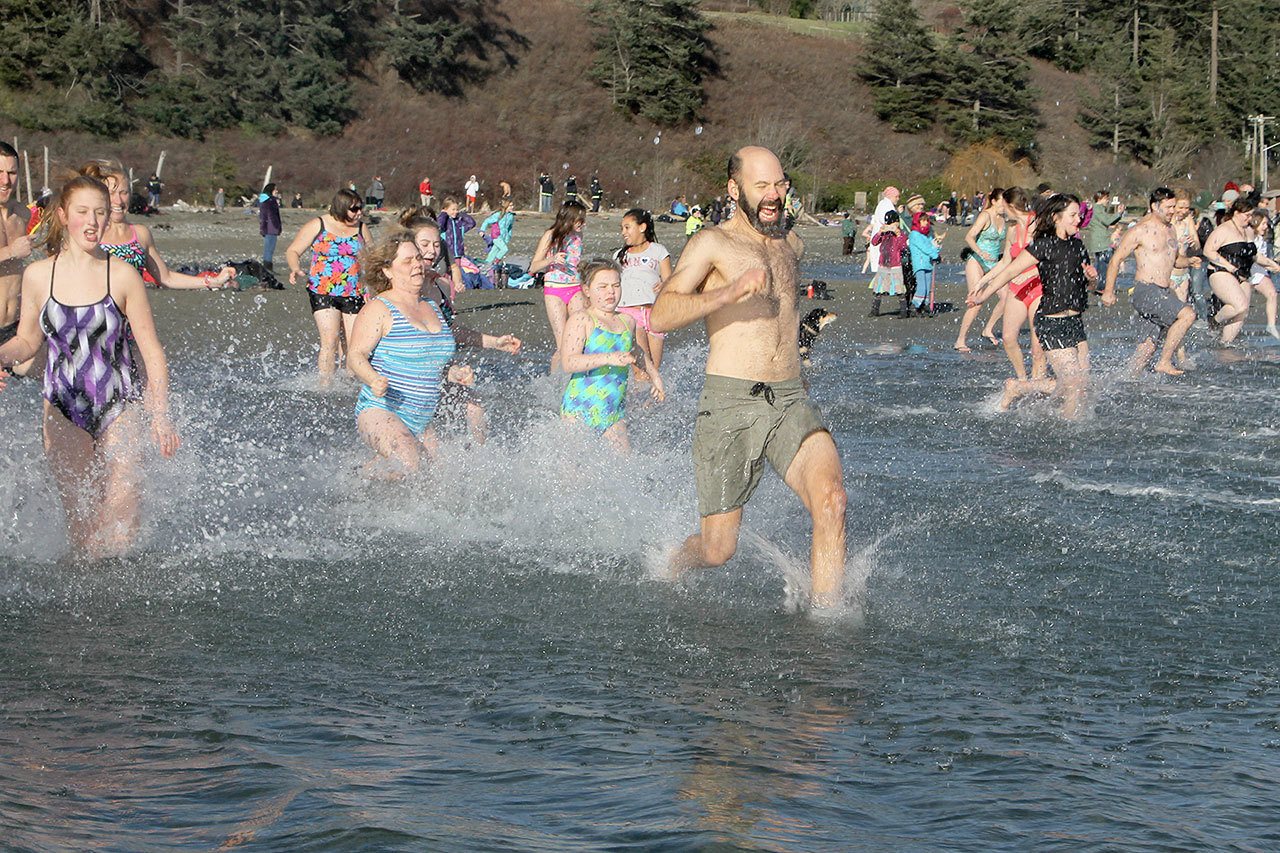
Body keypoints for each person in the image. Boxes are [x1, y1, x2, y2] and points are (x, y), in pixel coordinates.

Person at [650, 146, 847, 610]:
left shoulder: (791, 245)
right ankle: (672, 565)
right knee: (718, 550)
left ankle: (828, 627)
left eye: (780, 184)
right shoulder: (712, 244)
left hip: (791, 399)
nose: (774, 195)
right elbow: (661, 312)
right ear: (735, 189)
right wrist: (729, 291)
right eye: (762, 186)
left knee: (832, 501)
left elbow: (782, 319)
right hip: (731, 403)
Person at [0, 175, 180, 555]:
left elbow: (151, 351)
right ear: (64, 216)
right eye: (83, 212)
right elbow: (28, 341)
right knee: (83, 534)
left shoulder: (124, 275)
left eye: (100, 212)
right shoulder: (38, 275)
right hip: (63, 408)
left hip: (121, 404)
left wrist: (160, 414)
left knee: (122, 521)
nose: (93, 221)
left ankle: (126, 602)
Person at [969, 194, 1096, 416]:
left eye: (1079, 215)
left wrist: (1093, 279)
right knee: (1074, 382)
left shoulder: (1078, 246)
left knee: (1081, 383)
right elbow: (1010, 270)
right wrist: (983, 294)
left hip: (1075, 322)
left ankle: (1020, 387)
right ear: (1056, 218)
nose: (1078, 219)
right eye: (1073, 215)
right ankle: (1070, 428)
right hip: (1051, 321)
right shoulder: (1043, 246)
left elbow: (1089, 286)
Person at [401, 212, 521, 444]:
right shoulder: (399, 288)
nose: (432, 250)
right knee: (425, 446)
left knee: (475, 406)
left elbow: (450, 331)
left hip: (438, 373)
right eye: (424, 244)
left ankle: (480, 463)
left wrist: (494, 342)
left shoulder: (441, 285)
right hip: (406, 380)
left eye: (437, 244)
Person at [348, 230, 456, 475]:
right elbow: (355, 356)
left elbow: (434, 357)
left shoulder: (431, 304)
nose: (417, 264)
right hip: (380, 410)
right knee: (409, 461)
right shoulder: (379, 308)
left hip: (422, 417)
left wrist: (455, 372)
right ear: (387, 270)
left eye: (418, 258)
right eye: (408, 261)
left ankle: (358, 480)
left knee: (437, 476)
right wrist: (373, 379)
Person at [80, 160, 235, 290]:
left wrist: (212, 281)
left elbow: (166, 278)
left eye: (124, 193)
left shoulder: (140, 234)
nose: (119, 201)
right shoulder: (85, 233)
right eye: (111, 193)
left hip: (130, 321)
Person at [560, 258, 664, 451]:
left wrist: (654, 375)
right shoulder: (582, 319)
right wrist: (609, 358)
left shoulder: (627, 321)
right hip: (579, 409)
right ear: (587, 290)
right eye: (603, 287)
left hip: (613, 413)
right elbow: (568, 362)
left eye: (616, 285)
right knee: (574, 479)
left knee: (623, 470)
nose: (611, 292)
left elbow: (637, 351)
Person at [1103, 187, 1197, 374]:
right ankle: (1164, 361)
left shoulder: (1171, 230)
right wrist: (1108, 291)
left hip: (1162, 291)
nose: (1173, 211)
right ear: (1155, 206)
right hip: (1145, 290)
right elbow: (1116, 260)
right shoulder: (1140, 231)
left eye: (1174, 206)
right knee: (1188, 315)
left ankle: (1125, 380)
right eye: (1169, 207)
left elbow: (1174, 260)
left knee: (1147, 347)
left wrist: (1189, 261)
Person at [285, 188, 370, 384]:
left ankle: (349, 382)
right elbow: (293, 250)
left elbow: (371, 258)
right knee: (330, 341)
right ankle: (326, 384)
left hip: (354, 292)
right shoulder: (319, 224)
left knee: (354, 344)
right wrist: (295, 268)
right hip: (323, 291)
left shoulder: (361, 228)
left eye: (360, 208)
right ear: (341, 208)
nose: (359, 212)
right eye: (354, 209)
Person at [971, 187, 1046, 386]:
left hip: (1039, 288)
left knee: (1037, 346)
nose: (1000, 209)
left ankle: (1038, 382)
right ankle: (1022, 379)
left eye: (1003, 204)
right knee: (1008, 337)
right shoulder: (1012, 229)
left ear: (1011, 205)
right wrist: (982, 282)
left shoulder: (1038, 226)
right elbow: (1005, 262)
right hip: (1017, 288)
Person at [529, 200, 587, 371]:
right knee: (562, 344)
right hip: (554, 290)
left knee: (578, 338)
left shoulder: (578, 236)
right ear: (569, 219)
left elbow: (574, 262)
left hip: (575, 287)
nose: (583, 224)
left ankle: (578, 377)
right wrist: (552, 259)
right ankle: (555, 383)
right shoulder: (550, 235)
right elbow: (533, 267)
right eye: (580, 220)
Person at [615, 207, 673, 372]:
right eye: (622, 228)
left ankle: (649, 399)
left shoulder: (658, 251)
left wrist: (665, 284)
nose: (623, 232)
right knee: (640, 370)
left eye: (627, 227)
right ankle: (635, 394)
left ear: (642, 227)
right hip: (629, 314)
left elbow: (670, 281)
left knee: (654, 369)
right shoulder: (620, 255)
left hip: (655, 313)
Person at [954, 186, 1007, 351]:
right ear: (993, 201)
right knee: (976, 301)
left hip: (994, 264)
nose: (1004, 205)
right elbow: (969, 236)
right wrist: (981, 252)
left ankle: (988, 329)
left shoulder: (1004, 217)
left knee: (1007, 298)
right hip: (976, 260)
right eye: (1002, 202)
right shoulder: (985, 215)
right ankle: (960, 340)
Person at [0, 142, 33, 345]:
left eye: (11, 173)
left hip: (17, 326)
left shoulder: (23, 214)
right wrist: (11, 251)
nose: (5, 180)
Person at [1247, 211, 1280, 339]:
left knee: (1272, 293)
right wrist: (1272, 265)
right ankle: (1218, 323)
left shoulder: (1262, 239)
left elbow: (1263, 259)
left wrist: (1272, 266)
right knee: (1242, 306)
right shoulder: (1249, 236)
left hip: (1259, 272)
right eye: (1263, 224)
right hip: (1246, 272)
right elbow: (1256, 257)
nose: (1266, 226)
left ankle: (1271, 326)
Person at [867, 209, 907, 317]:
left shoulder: (900, 234)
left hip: (895, 265)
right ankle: (875, 310)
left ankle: (904, 310)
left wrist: (898, 234)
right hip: (883, 264)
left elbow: (902, 246)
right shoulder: (884, 234)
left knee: (899, 288)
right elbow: (874, 242)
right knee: (878, 288)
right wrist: (880, 232)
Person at [1083, 190, 1124, 291]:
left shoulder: (1095, 209)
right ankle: (1101, 287)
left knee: (1100, 264)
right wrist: (1119, 213)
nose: (1108, 201)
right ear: (1100, 198)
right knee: (1106, 266)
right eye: (1107, 198)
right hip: (1101, 242)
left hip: (1098, 242)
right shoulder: (1097, 209)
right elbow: (1107, 221)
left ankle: (1096, 285)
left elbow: (1108, 221)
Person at [907, 206, 942, 316]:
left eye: (927, 220)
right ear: (918, 221)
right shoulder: (914, 235)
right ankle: (915, 305)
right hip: (920, 263)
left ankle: (925, 304)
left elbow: (931, 246)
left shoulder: (926, 235)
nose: (926, 223)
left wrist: (937, 247)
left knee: (928, 285)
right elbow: (925, 248)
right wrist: (934, 254)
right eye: (923, 221)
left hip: (928, 263)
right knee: (922, 285)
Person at [866, 186, 900, 276]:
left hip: (881, 237)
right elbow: (887, 221)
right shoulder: (886, 205)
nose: (898, 199)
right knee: (884, 267)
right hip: (884, 239)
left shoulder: (883, 204)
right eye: (896, 196)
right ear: (890, 196)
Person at [437, 197, 476, 263]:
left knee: (458, 271)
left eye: (457, 209)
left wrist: (461, 214)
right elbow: (439, 225)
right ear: (445, 209)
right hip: (447, 254)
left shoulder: (458, 222)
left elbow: (472, 223)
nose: (455, 211)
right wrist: (443, 214)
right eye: (453, 209)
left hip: (459, 254)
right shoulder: (445, 222)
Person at [480, 200, 516, 268]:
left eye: (512, 205)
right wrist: (482, 230)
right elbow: (487, 221)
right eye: (510, 206)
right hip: (496, 236)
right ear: (506, 206)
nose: (512, 207)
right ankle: (496, 262)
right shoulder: (498, 215)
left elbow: (510, 227)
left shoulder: (511, 216)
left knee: (494, 251)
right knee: (504, 249)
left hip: (504, 238)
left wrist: (509, 236)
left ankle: (486, 265)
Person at [258, 182, 282, 270]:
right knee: (268, 249)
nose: (277, 191)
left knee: (270, 249)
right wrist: (263, 228)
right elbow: (263, 216)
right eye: (275, 189)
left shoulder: (272, 200)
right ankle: (267, 268)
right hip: (269, 228)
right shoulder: (267, 201)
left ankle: (268, 267)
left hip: (273, 228)